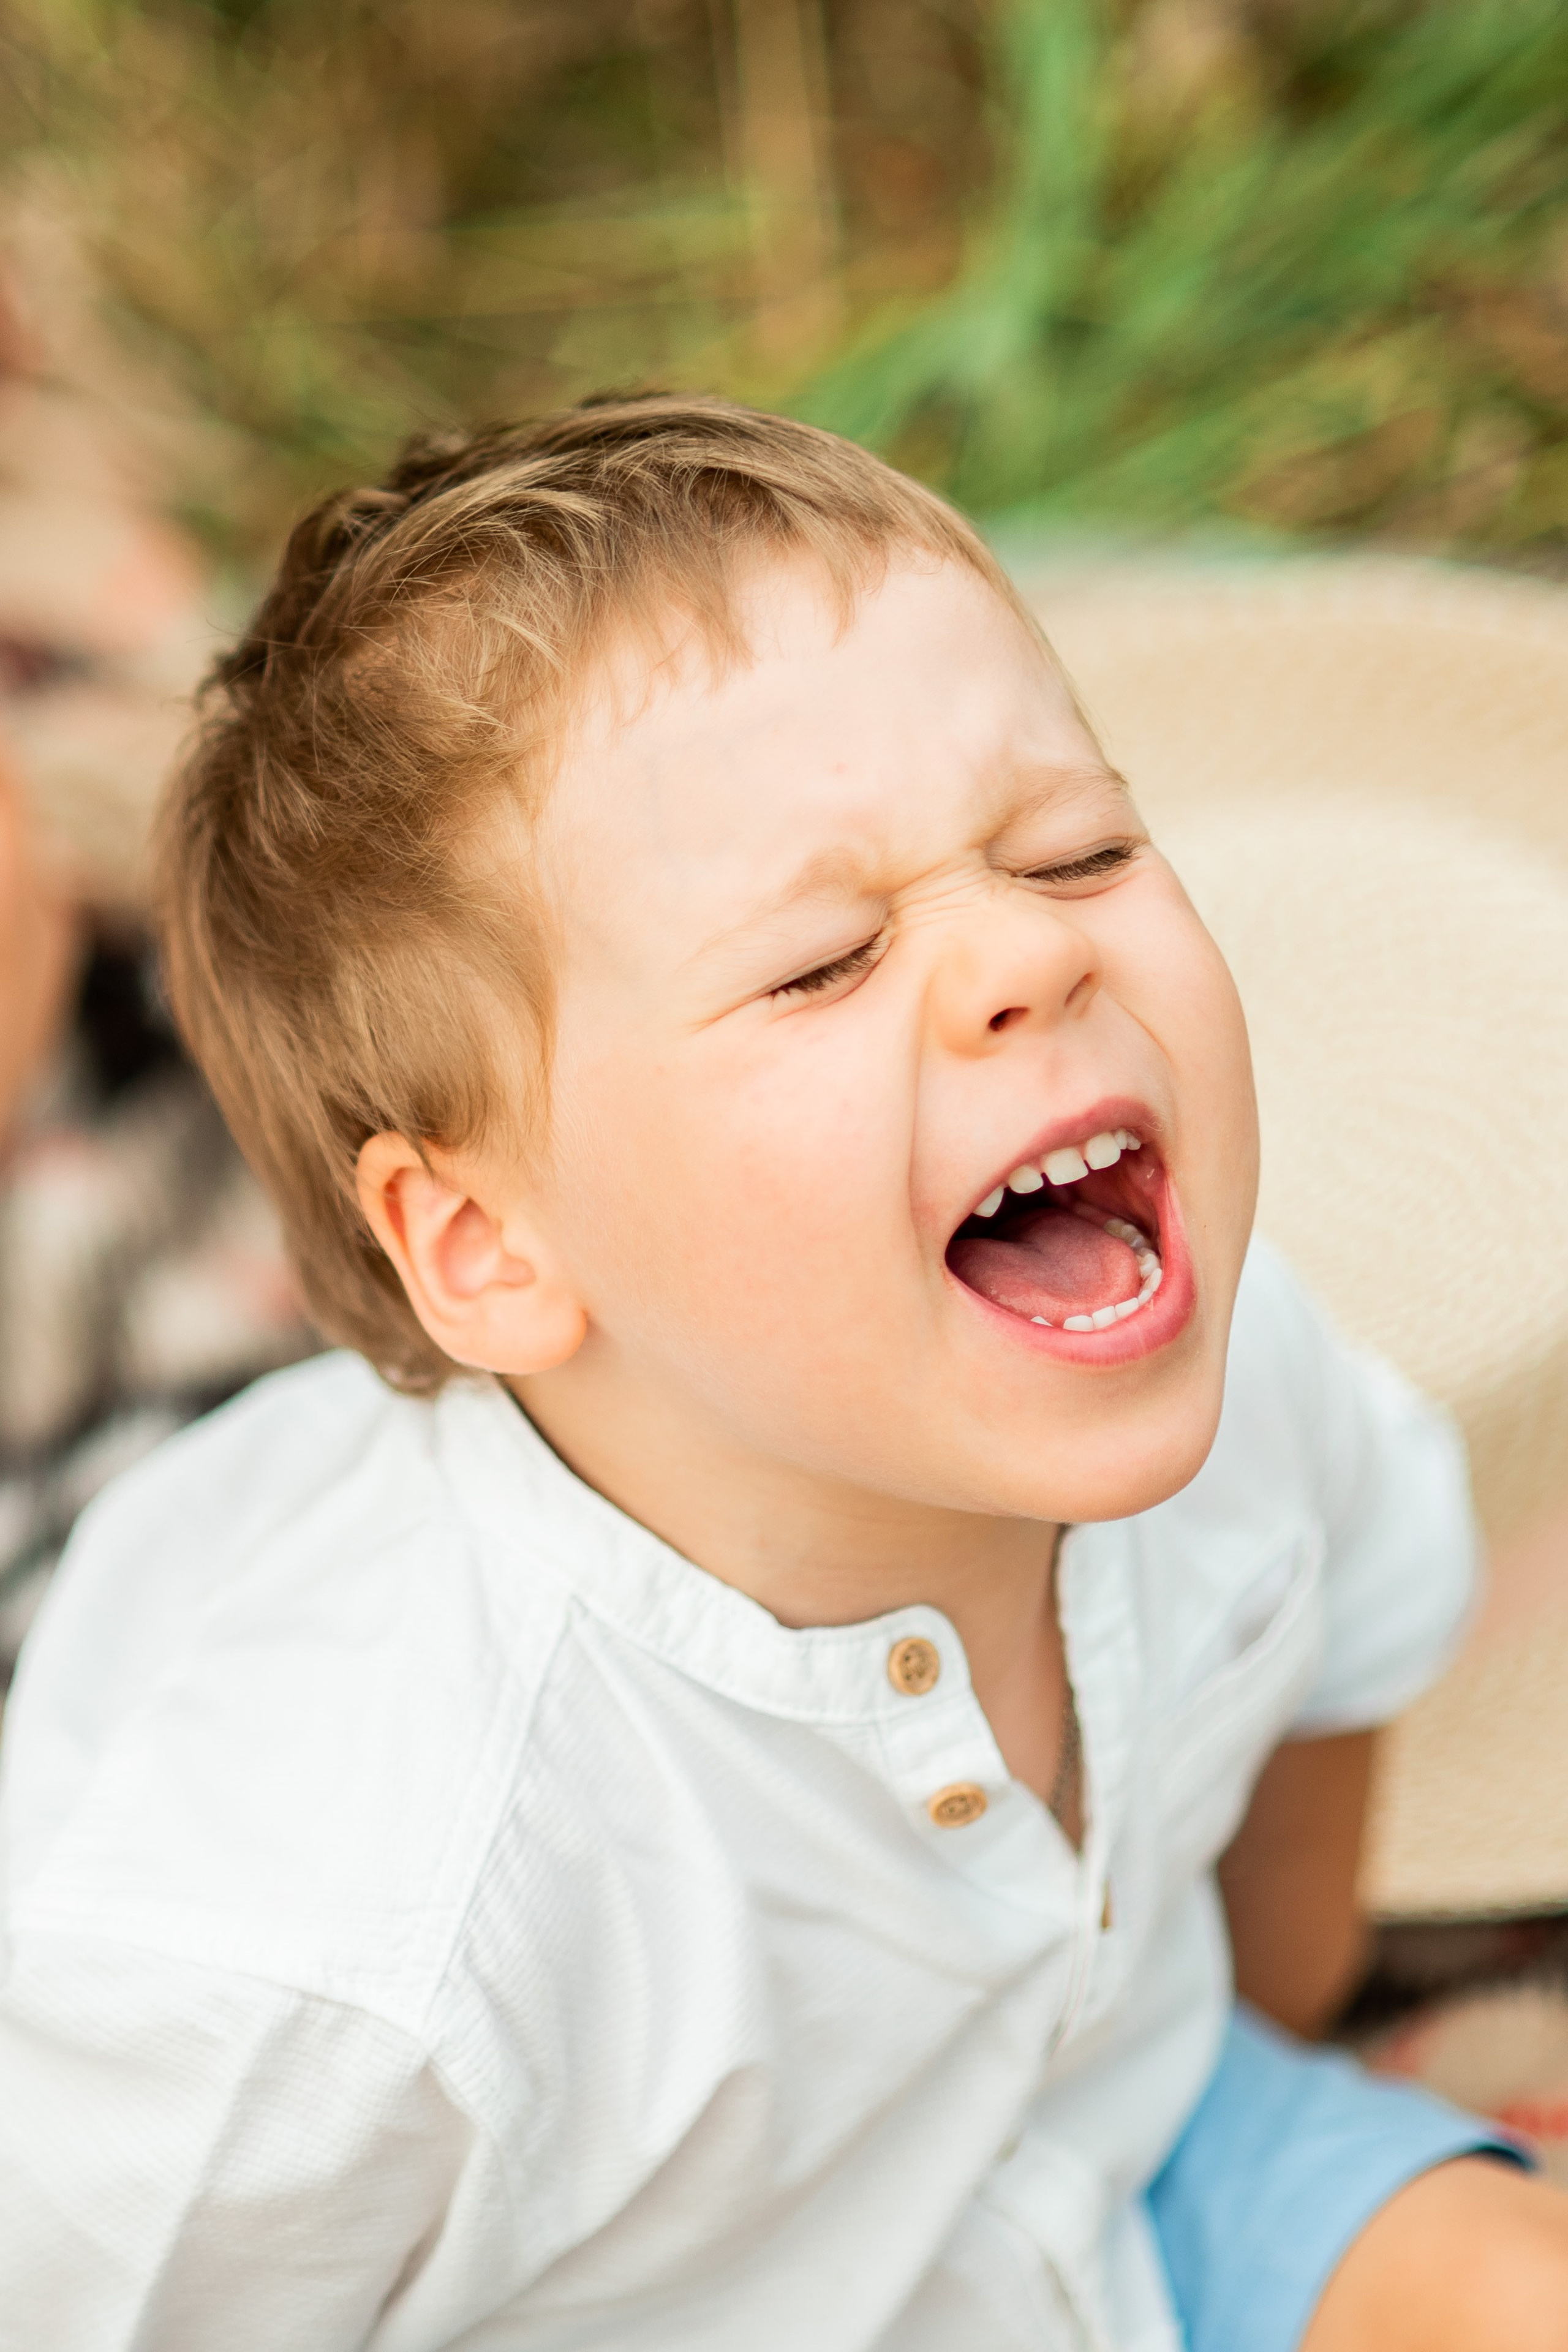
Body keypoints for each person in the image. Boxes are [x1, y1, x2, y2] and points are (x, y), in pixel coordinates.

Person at [1, 396, 1566, 2352]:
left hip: (1118, 2137)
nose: (1027, 953)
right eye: (823, 960)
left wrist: (1271, 2041)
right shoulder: (327, 1933)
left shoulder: (1237, 1370)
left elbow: (1347, 1636)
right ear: (488, 1244)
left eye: (1076, 847)